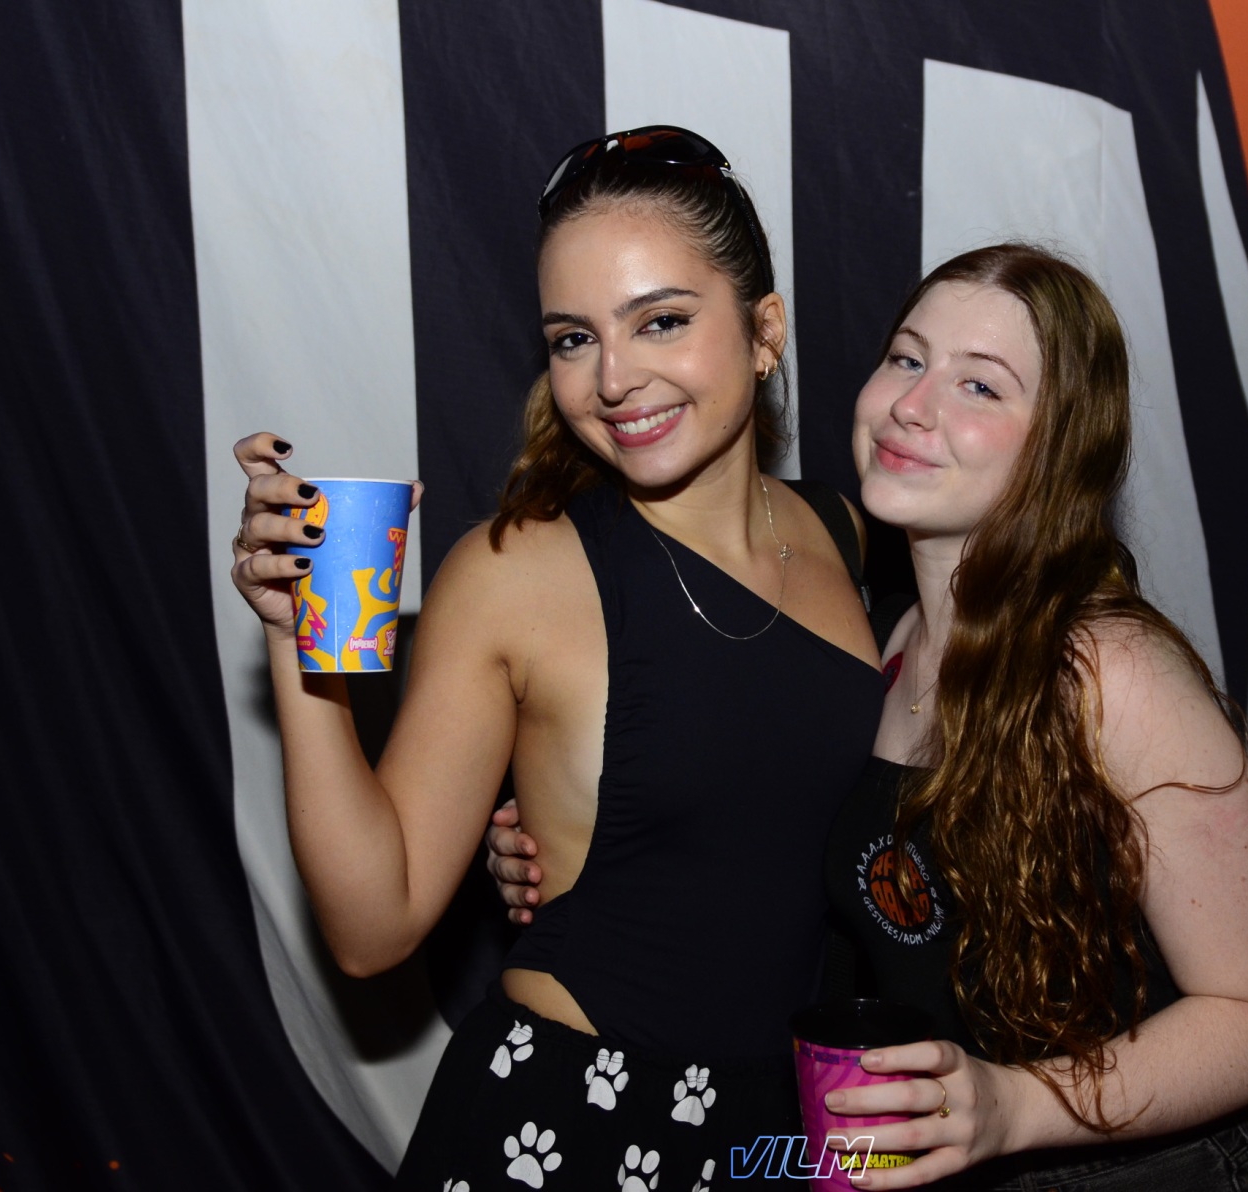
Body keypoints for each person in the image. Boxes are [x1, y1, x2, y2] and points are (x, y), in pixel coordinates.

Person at [495, 243, 1248, 1188]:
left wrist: (1013, 1106)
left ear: (1060, 444)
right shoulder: (880, 640)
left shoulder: (1106, 669)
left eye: (981, 386)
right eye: (907, 358)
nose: (913, 406)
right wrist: (552, 828)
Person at [228, 127, 885, 1189]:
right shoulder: (515, 572)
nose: (614, 379)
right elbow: (372, 925)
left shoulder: (848, 536)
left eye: (661, 321)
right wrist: (295, 636)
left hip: (789, 1135)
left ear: (765, 330)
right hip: (574, 1125)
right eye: (574, 339)